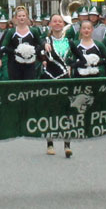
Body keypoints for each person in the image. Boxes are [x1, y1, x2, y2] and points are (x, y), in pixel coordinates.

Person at [42, 14, 73, 157]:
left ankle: (67, 145)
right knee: (50, 111)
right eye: (54, 21)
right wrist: (42, 51)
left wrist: (71, 65)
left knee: (66, 112)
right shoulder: (46, 40)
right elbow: (38, 53)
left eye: (60, 21)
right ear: (50, 24)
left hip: (66, 79)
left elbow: (81, 58)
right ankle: (50, 144)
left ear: (63, 24)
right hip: (50, 79)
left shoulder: (69, 41)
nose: (57, 24)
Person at [0, 6, 42, 80]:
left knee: (29, 84)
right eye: (19, 16)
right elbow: (3, 47)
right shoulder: (11, 32)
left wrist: (33, 52)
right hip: (14, 64)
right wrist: (0, 57)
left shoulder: (33, 31)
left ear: (27, 17)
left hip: (30, 64)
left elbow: (40, 44)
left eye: (24, 16)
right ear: (15, 18)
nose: (22, 18)